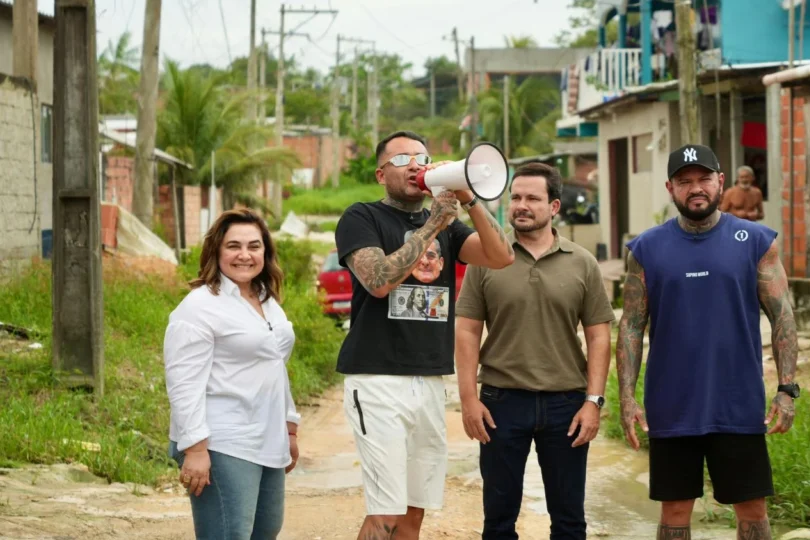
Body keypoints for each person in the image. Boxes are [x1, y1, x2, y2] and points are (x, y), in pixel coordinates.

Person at [334, 130, 515, 539]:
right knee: (386, 510)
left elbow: (501, 257)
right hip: (378, 379)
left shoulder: (449, 228)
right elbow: (378, 281)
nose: (415, 164)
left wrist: (469, 200)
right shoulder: (361, 217)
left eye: (422, 157)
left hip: (430, 379)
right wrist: (434, 222)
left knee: (415, 512)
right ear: (381, 174)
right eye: (401, 160)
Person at [616, 144, 799, 540]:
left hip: (737, 400)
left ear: (720, 181)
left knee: (751, 507)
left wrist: (787, 390)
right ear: (670, 187)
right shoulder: (646, 249)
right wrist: (627, 398)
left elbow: (783, 315)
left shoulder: (754, 241)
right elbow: (631, 326)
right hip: (671, 405)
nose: (695, 188)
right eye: (684, 181)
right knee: (675, 509)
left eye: (703, 179)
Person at [455, 163, 616, 539]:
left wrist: (593, 401)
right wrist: (468, 399)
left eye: (532, 198)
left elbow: (598, 336)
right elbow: (466, 330)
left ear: (554, 206)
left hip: (567, 405)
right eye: (516, 198)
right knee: (498, 520)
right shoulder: (487, 258)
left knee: (569, 521)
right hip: (500, 403)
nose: (521, 206)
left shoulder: (582, 262)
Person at [164, 209, 301, 540]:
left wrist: (290, 428)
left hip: (268, 436)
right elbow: (183, 382)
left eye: (254, 246)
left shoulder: (267, 301)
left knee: (265, 530)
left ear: (265, 253)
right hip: (223, 440)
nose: (245, 255)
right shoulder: (199, 306)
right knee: (228, 533)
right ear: (216, 251)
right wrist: (196, 448)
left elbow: (274, 367)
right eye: (234, 246)